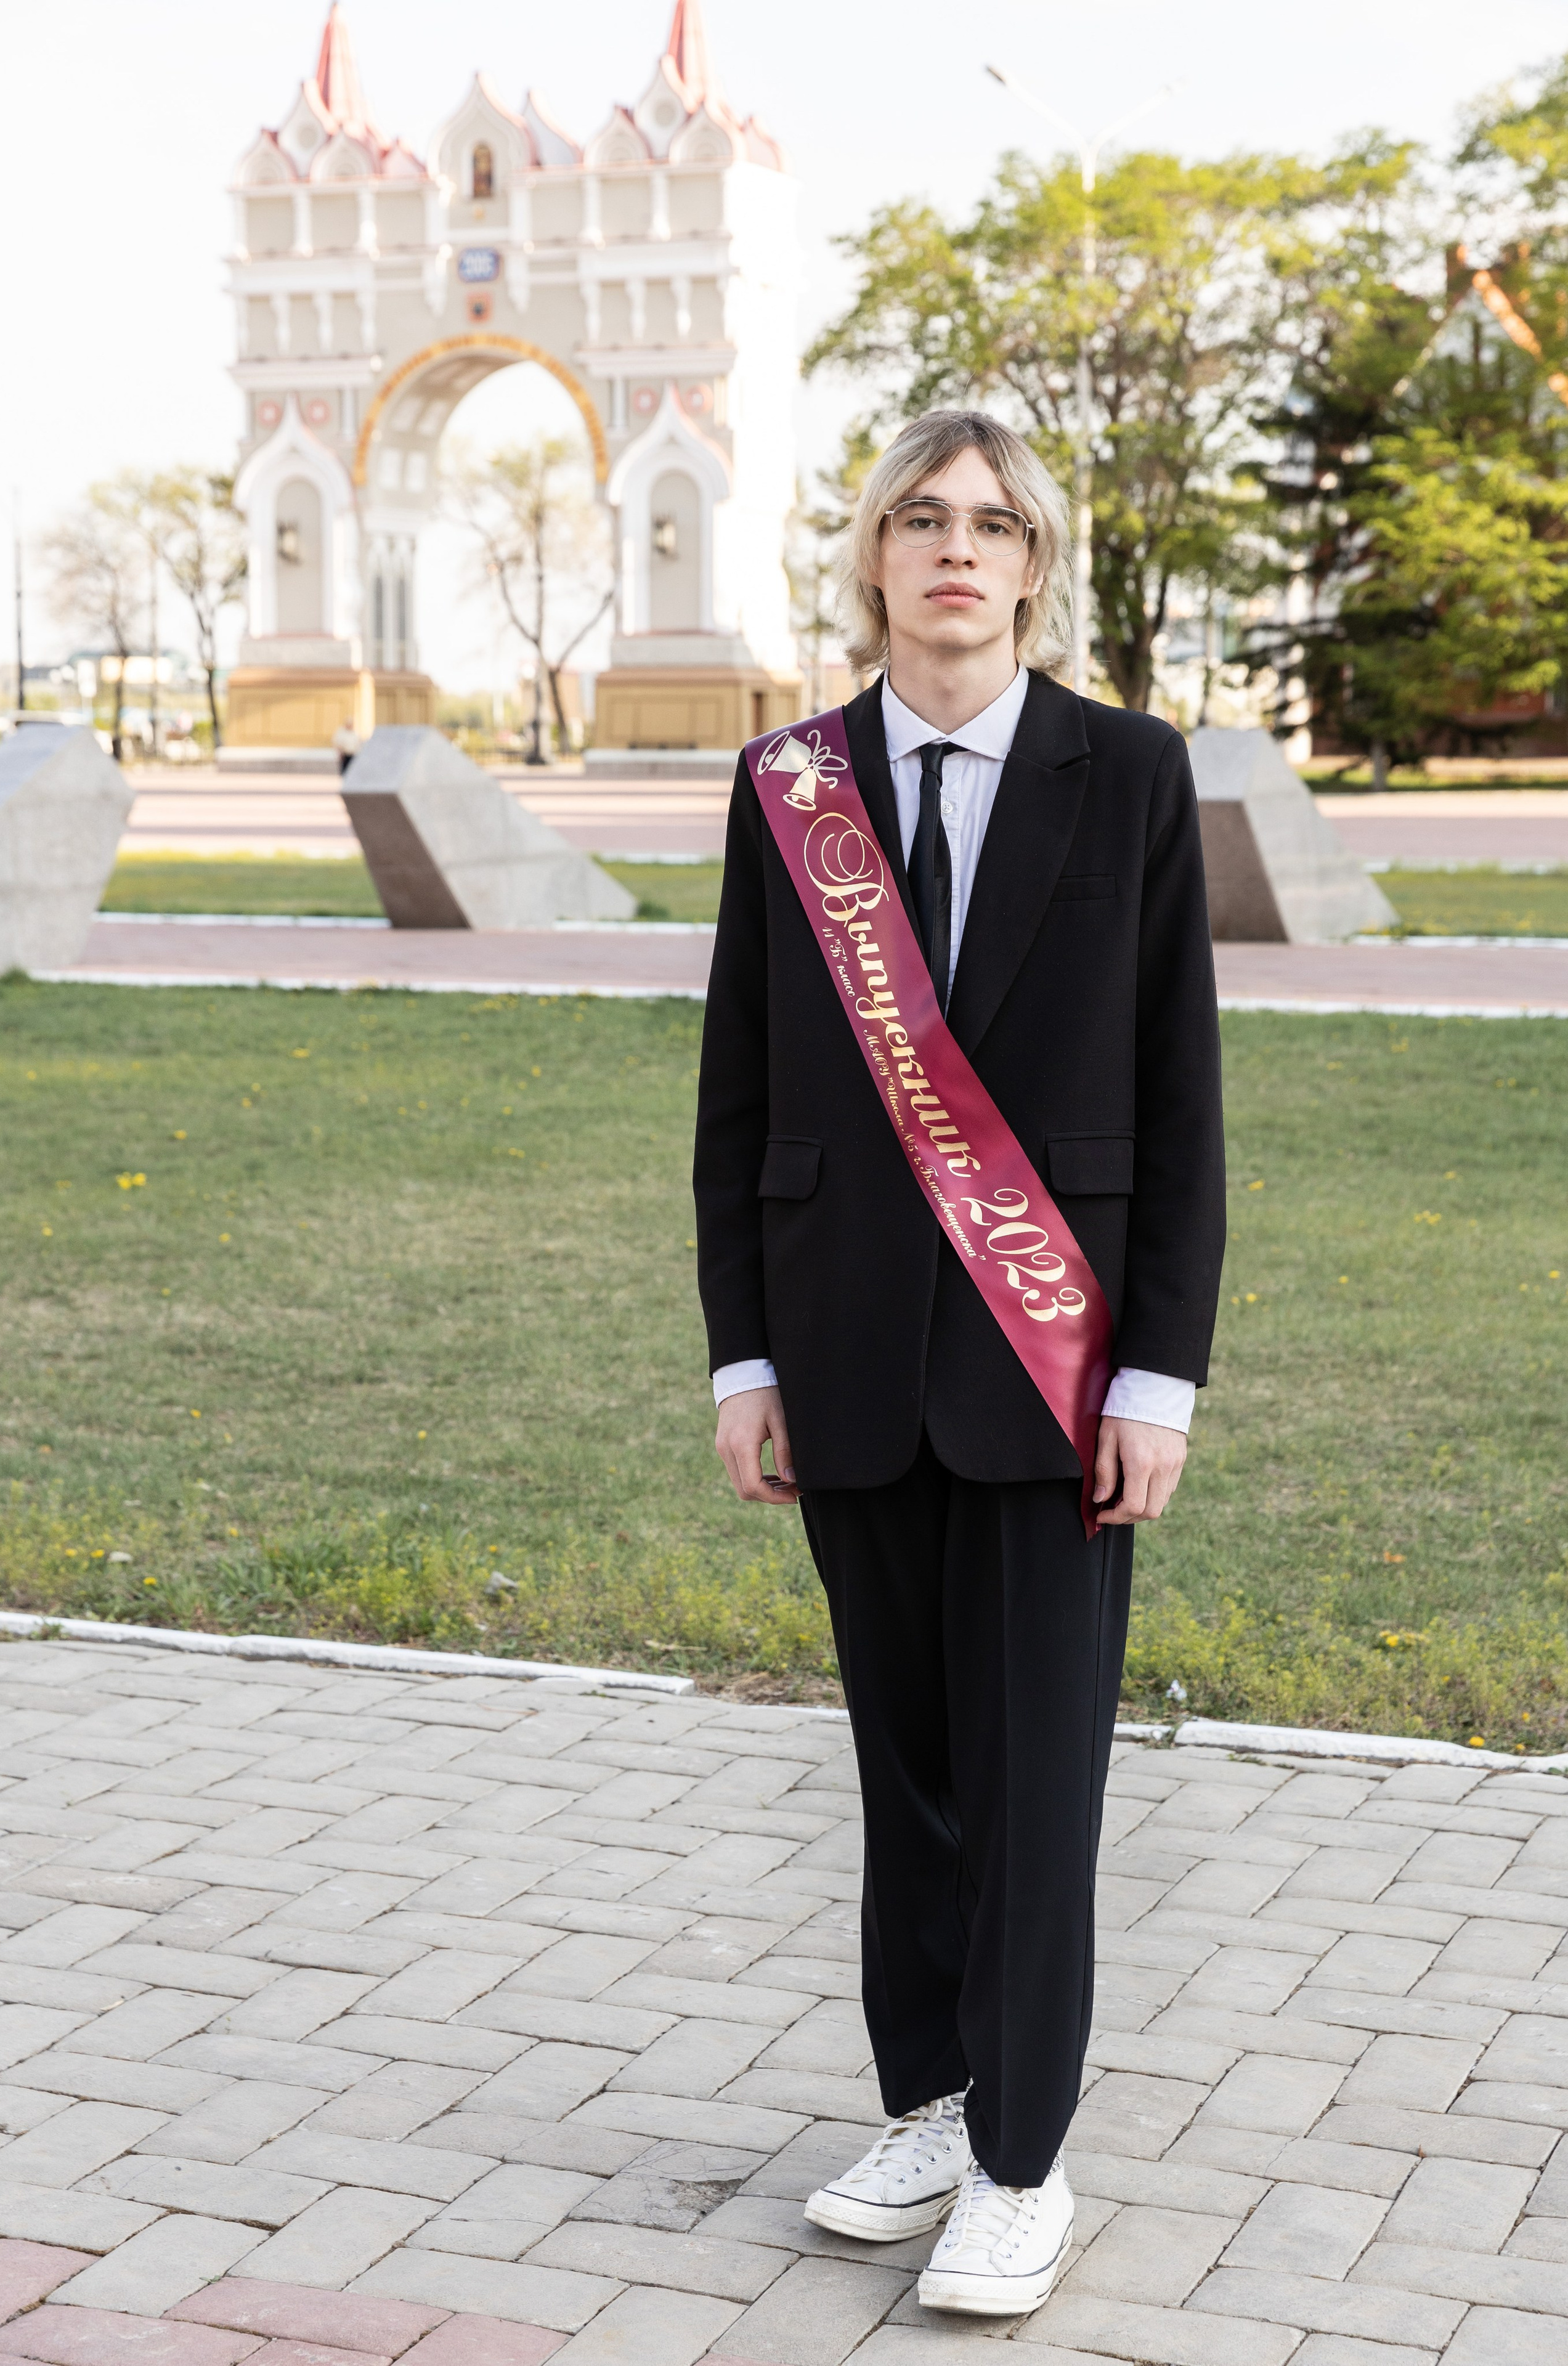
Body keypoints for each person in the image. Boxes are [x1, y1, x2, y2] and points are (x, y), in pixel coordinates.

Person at [693, 409, 1225, 2319]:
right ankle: (928, 2099)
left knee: (1035, 1787)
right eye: (921, 520)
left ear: (1035, 564)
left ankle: (1022, 2158)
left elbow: (1181, 1102)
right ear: (873, 558)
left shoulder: (1132, 776)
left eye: (993, 525)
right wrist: (742, 1352)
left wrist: (1157, 1377)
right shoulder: (790, 790)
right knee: (905, 1776)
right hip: (841, 1363)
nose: (956, 552)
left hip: (1052, 1368)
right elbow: (739, 1092)